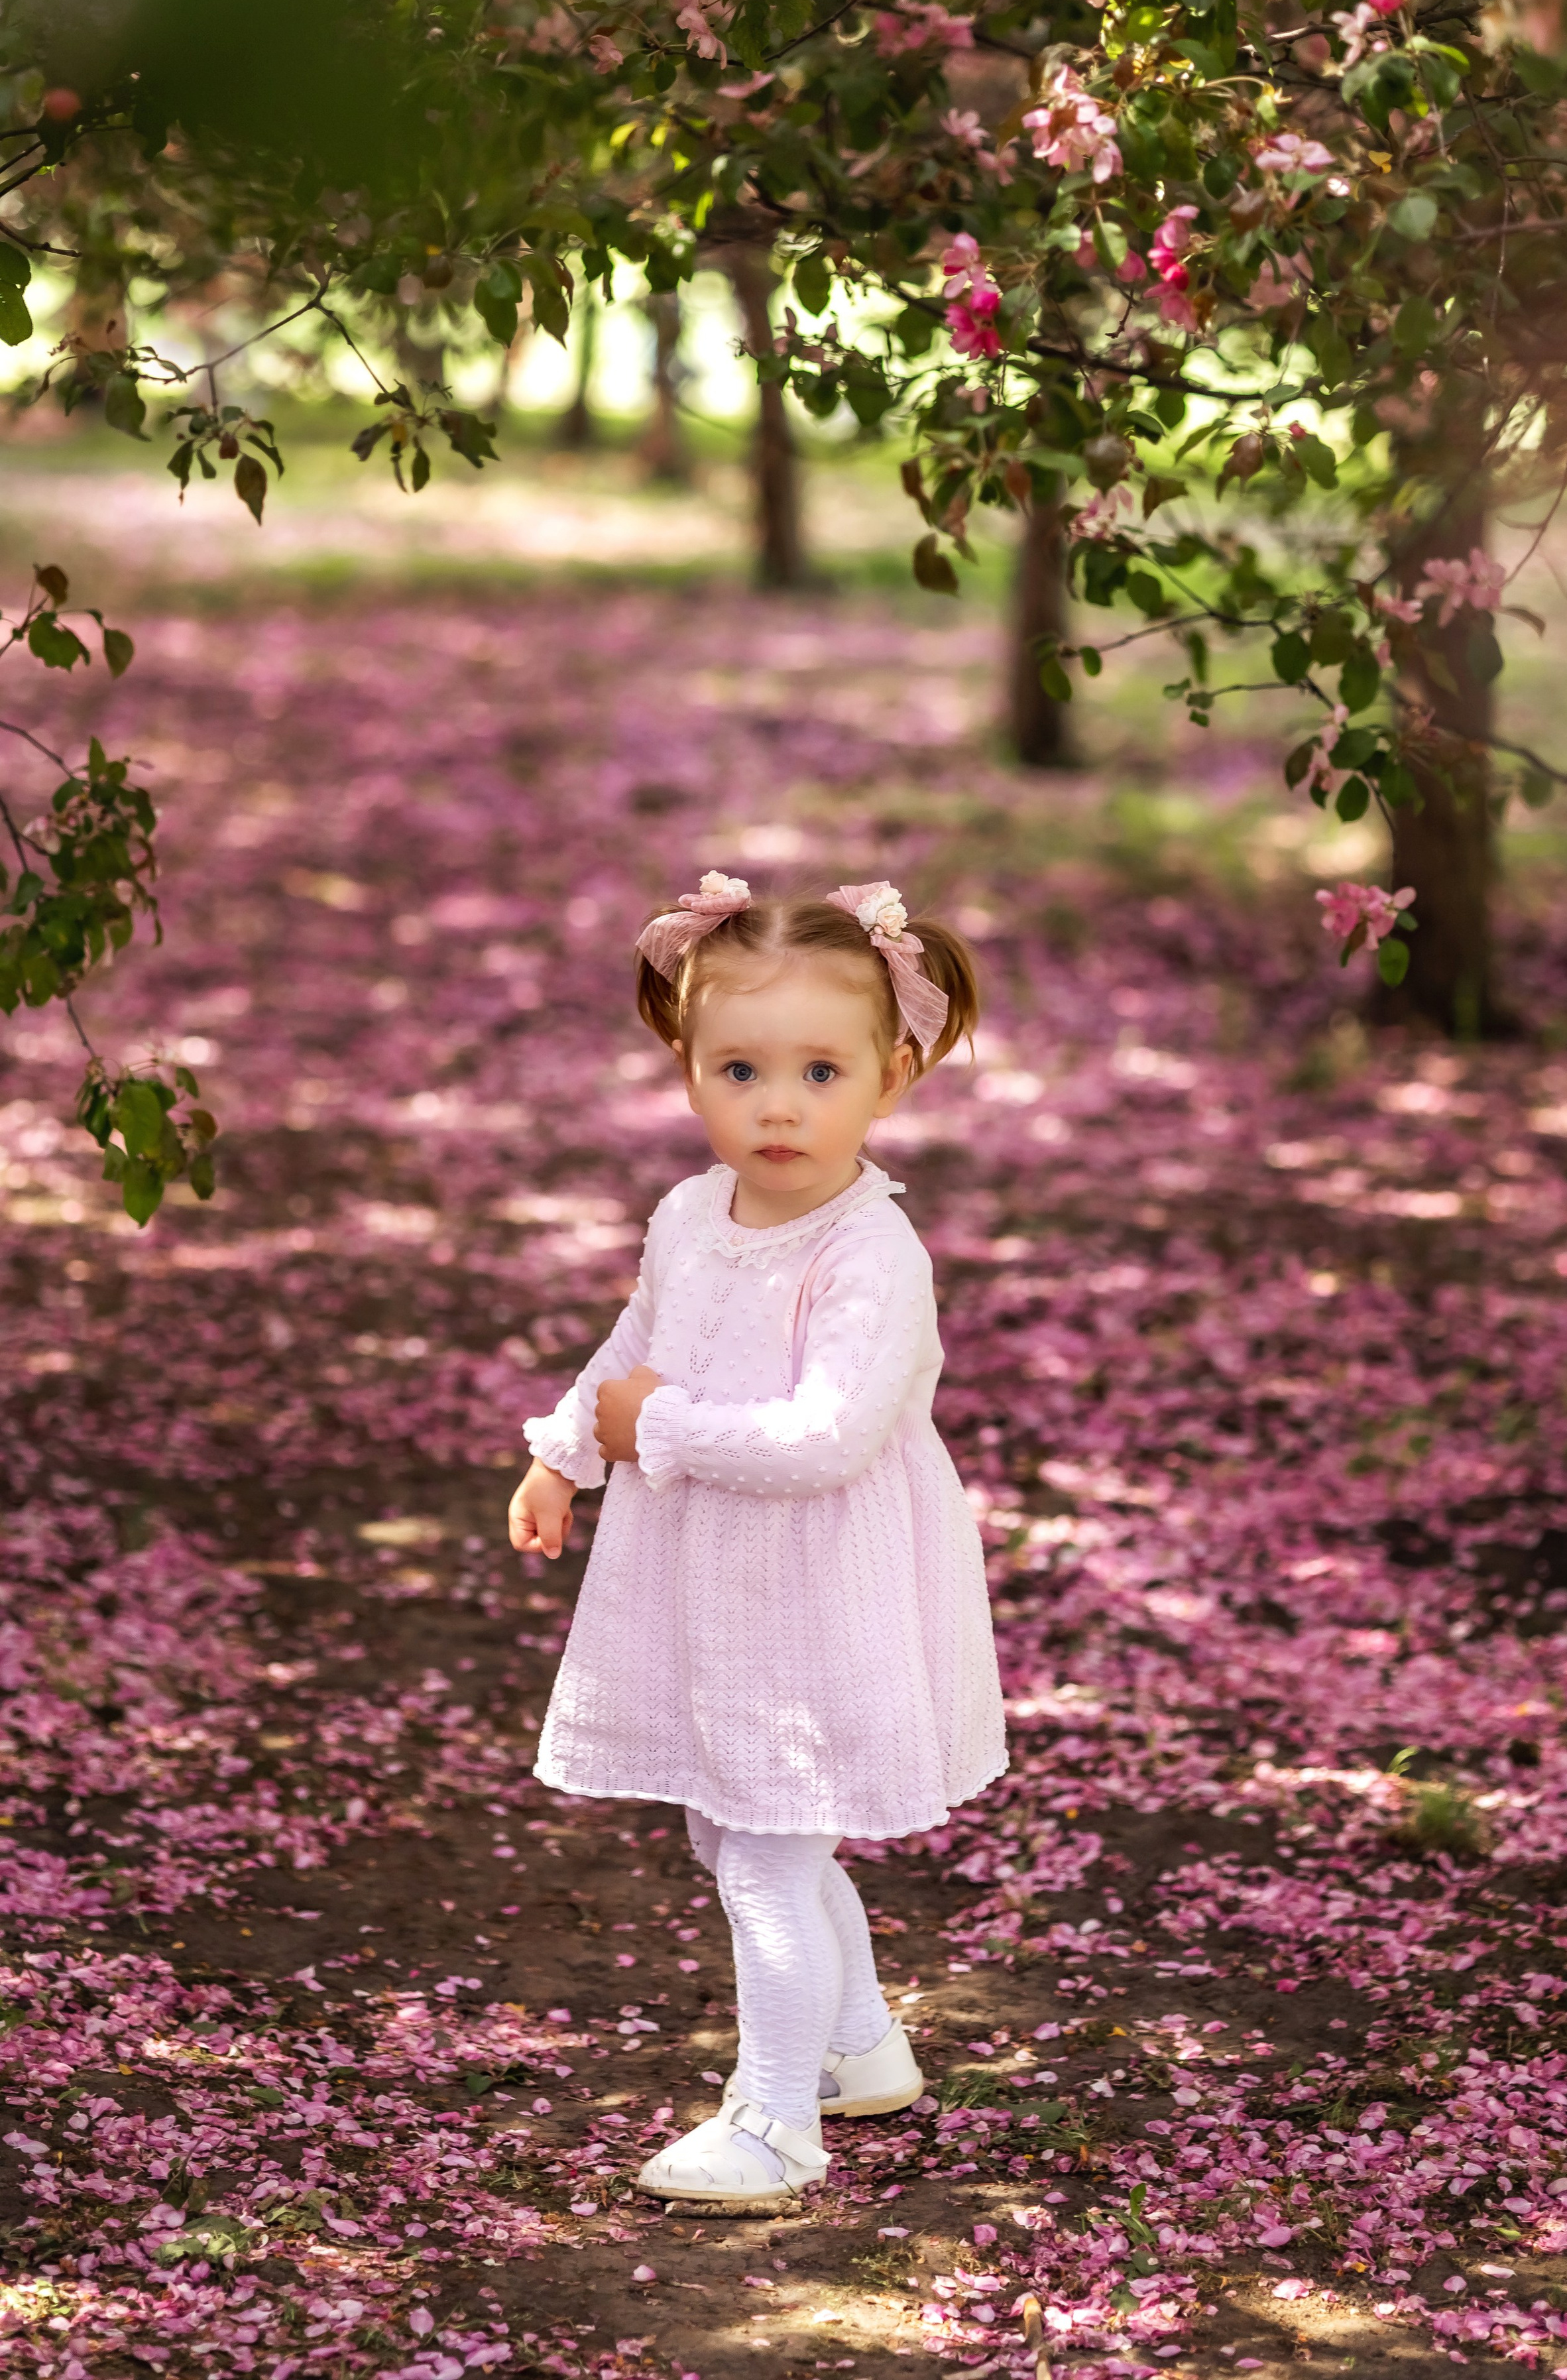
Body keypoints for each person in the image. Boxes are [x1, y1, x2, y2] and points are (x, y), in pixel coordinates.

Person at [506, 871, 1008, 2204]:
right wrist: (568, 1445)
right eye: (738, 1068)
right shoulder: (689, 1213)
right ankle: (855, 2046)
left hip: (816, 1583)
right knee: (727, 1835)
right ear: (686, 1073)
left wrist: (649, 1428)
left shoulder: (869, 1256)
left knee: (772, 1838)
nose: (776, 1105)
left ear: (891, 1078)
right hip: (709, 1575)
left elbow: (825, 1438)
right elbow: (635, 1349)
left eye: (818, 1071)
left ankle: (777, 2123)